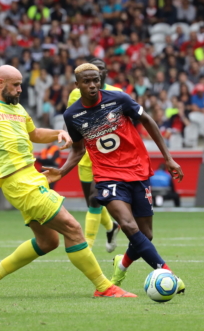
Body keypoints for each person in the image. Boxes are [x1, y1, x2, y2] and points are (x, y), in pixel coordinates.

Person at [0, 65, 135, 299]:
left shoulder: (17, 109)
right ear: (0, 83)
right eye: (16, 85)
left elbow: (34, 133)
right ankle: (104, 287)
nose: (20, 89)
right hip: (18, 181)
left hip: (32, 176)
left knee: (48, 241)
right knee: (72, 228)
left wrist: (60, 134)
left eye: (21, 84)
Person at [48, 63, 186, 293]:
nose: (92, 85)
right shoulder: (72, 115)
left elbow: (148, 121)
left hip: (137, 170)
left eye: (95, 80)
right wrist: (61, 172)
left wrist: (168, 158)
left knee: (146, 235)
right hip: (107, 176)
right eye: (87, 81)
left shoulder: (119, 99)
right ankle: (168, 274)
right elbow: (78, 150)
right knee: (130, 226)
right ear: (77, 85)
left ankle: (120, 267)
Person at [67, 58, 121, 252]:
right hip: (85, 156)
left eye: (99, 71)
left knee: (94, 199)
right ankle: (111, 226)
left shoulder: (117, 94)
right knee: (93, 203)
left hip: (106, 156)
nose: (94, 76)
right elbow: (72, 119)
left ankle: (87, 245)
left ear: (103, 74)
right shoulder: (75, 94)